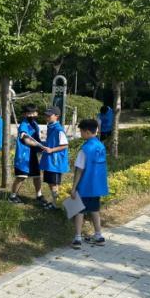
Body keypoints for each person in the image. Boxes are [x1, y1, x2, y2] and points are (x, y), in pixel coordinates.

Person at [70, 119, 108, 249]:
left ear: (86, 132)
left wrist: (73, 188)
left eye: (81, 131)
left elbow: (79, 170)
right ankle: (99, 236)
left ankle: (77, 238)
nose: (80, 134)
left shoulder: (85, 149)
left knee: (79, 211)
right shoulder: (101, 146)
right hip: (97, 186)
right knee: (95, 210)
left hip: (85, 185)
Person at [9, 104, 46, 205]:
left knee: (37, 176)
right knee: (21, 176)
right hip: (23, 155)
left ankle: (39, 195)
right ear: (25, 114)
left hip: (32, 154)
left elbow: (37, 138)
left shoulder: (34, 124)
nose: (32, 115)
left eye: (34, 113)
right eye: (29, 113)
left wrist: (41, 146)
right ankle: (12, 196)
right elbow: (26, 141)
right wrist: (41, 146)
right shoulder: (24, 125)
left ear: (37, 113)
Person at [39, 106, 69, 209]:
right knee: (50, 183)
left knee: (54, 184)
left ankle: (57, 205)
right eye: (46, 115)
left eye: (49, 115)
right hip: (49, 161)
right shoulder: (50, 127)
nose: (46, 117)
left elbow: (65, 145)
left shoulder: (58, 129)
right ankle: (56, 203)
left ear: (57, 116)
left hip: (55, 162)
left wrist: (51, 150)